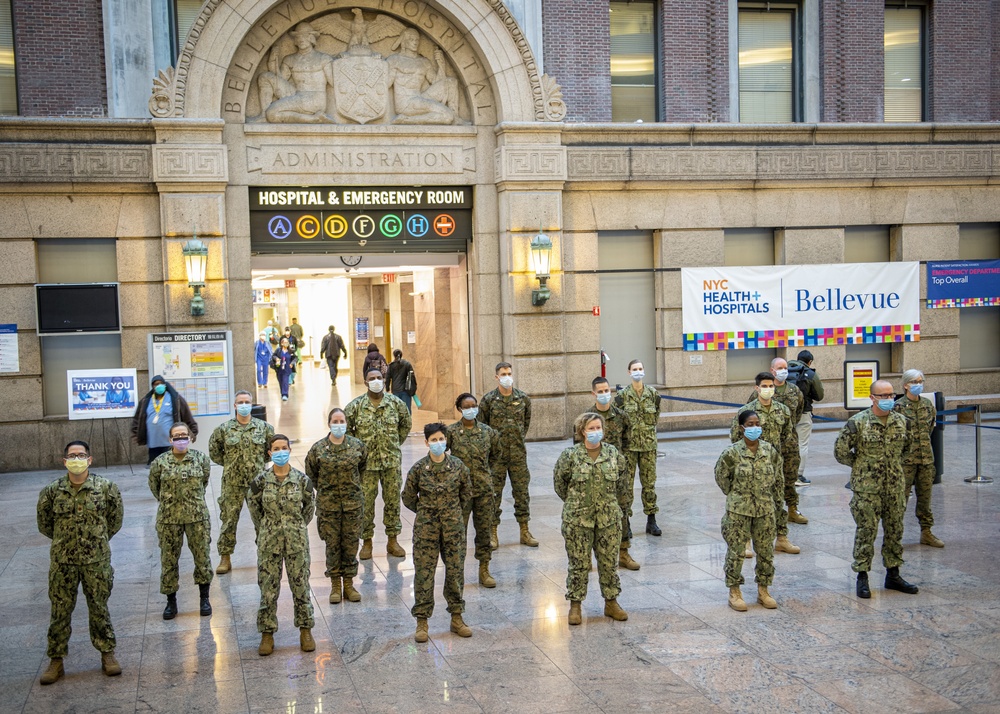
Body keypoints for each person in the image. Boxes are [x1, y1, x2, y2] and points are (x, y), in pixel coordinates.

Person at [36, 440, 124, 684]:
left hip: (96, 562)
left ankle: (108, 654)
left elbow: (115, 521)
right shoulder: (52, 491)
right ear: (65, 461)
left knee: (99, 608)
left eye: (81, 455)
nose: (77, 459)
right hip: (63, 563)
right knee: (60, 611)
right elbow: (44, 525)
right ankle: (56, 661)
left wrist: (96, 542)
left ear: (90, 459)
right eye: (72, 455)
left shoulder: (106, 488)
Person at [836, 379, 920, 599]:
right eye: (883, 396)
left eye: (891, 395)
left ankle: (893, 574)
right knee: (866, 531)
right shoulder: (858, 422)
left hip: (895, 487)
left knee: (895, 530)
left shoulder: (903, 422)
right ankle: (862, 576)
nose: (888, 399)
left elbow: (907, 449)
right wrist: (861, 465)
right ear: (872, 397)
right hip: (867, 489)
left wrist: (892, 466)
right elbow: (841, 451)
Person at [553, 412, 630, 625]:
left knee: (608, 563)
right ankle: (575, 605)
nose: (596, 432)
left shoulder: (613, 454)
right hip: (578, 520)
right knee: (578, 563)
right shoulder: (570, 456)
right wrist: (576, 504)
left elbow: (623, 484)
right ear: (582, 432)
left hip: (608, 519)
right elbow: (560, 484)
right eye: (591, 428)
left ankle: (611, 602)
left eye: (598, 428)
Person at [402, 422, 473, 642]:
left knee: (454, 572)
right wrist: (426, 512)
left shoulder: (458, 467)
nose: (438, 443)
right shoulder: (418, 469)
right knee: (424, 574)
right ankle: (422, 621)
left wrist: (454, 515)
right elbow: (408, 497)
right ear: (426, 443)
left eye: (441, 439)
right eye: (434, 440)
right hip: (426, 530)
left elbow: (467, 494)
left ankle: (456, 617)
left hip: (453, 529)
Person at [248, 434, 316, 655]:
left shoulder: (302, 480)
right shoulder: (260, 482)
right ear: (269, 453)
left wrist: (295, 527)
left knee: (301, 587)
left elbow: (308, 509)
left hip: (296, 542)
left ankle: (305, 630)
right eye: (275, 448)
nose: (280, 452)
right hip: (269, 543)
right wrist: (267, 528)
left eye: (283, 448)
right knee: (268, 589)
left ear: (289, 450)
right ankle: (267, 634)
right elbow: (254, 509)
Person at [715, 411, 781, 612]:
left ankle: (764, 590)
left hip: (764, 509)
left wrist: (776, 504)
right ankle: (734, 591)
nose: (755, 428)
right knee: (736, 552)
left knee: (766, 552)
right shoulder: (732, 453)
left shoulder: (769, 451)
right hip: (739, 510)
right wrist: (735, 494)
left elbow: (777, 478)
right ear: (742, 427)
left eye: (757, 424)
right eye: (750, 424)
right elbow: (721, 477)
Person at [148, 422, 213, 620]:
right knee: (168, 560)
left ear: (190, 438)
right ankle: (171, 602)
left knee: (202, 558)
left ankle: (204, 598)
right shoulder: (160, 463)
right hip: (169, 519)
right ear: (170, 440)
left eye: (184, 435)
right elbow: (154, 487)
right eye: (176, 436)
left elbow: (204, 482)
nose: (180, 439)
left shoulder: (201, 459)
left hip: (197, 518)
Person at [345, 368, 412, 560]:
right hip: (367, 465)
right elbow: (347, 428)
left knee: (392, 501)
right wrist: (358, 450)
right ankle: (366, 542)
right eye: (372, 378)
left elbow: (405, 424)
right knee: (365, 503)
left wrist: (393, 443)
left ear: (384, 380)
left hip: (391, 462)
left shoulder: (396, 403)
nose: (376, 381)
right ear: (365, 382)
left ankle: (393, 540)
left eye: (379, 378)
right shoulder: (356, 406)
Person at [731, 372, 801, 556]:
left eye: (771, 386)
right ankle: (746, 541)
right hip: (751, 466)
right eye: (764, 386)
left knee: (778, 501)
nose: (768, 389)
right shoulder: (746, 411)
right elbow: (735, 437)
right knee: (749, 502)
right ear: (757, 388)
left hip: (774, 465)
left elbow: (788, 436)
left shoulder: (782, 410)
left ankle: (782, 539)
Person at [305, 408, 367, 604]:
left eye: (342, 421)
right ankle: (335, 585)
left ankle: (348, 585)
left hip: (352, 505)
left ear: (347, 423)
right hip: (328, 507)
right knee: (332, 545)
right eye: (335, 421)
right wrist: (325, 490)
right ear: (329, 423)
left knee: (350, 544)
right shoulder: (318, 449)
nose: (339, 424)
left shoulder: (357, 446)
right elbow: (311, 473)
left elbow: (363, 468)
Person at [209, 391, 275, 575]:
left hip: (257, 483)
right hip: (232, 483)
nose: (244, 404)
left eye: (247, 402)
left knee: (262, 520)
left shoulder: (265, 428)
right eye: (240, 402)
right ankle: (225, 557)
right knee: (228, 521)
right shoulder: (224, 429)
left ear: (252, 405)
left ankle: (265, 554)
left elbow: (270, 451)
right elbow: (215, 452)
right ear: (235, 406)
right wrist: (232, 465)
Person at [446, 393, 501, 588]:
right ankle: (456, 572)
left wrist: (485, 474)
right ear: (460, 409)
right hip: (460, 493)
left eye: (474, 405)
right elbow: (444, 457)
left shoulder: (488, 432)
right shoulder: (451, 432)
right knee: (458, 533)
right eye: (467, 406)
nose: (471, 409)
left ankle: (484, 569)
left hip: (484, 490)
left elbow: (496, 456)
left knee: (484, 531)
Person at [588, 377, 639, 570]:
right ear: (593, 394)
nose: (604, 394)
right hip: (595, 476)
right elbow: (578, 447)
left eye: (606, 391)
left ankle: (623, 553)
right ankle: (589, 557)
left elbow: (627, 443)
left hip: (617, 476)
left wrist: (621, 466)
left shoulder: (621, 416)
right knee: (592, 515)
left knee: (623, 513)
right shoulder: (587, 417)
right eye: (599, 392)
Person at [747, 358, 807, 523]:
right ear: (772, 370)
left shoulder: (795, 391)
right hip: (766, 445)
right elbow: (748, 417)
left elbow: (797, 413)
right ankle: (768, 512)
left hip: (789, 444)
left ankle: (793, 510)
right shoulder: (758, 393)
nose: (784, 371)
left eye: (785, 368)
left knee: (790, 477)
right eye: (780, 368)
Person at [894, 369, 943, 548]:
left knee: (925, 499)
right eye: (915, 381)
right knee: (900, 500)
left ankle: (926, 532)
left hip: (926, 460)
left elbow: (930, 428)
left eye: (921, 381)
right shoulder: (897, 407)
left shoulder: (928, 405)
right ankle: (895, 536)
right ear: (906, 385)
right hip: (905, 462)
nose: (919, 385)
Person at [614, 359, 662, 537]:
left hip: (648, 446)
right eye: (634, 369)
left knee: (649, 484)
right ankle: (626, 522)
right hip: (629, 448)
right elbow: (618, 422)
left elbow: (655, 417)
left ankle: (651, 520)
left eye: (640, 368)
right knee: (627, 486)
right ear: (629, 372)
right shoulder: (622, 397)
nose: (638, 371)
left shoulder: (653, 394)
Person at [132, 375, 198, 465]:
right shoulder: (145, 401)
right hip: (153, 443)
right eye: (156, 384)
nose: (158, 386)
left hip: (170, 442)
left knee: (170, 466)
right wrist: (137, 434)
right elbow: (138, 418)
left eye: (160, 384)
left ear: (165, 385)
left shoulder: (175, 399)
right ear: (153, 386)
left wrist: (193, 432)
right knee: (155, 468)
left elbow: (186, 415)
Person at [787, 350, 824, 485]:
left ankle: (784, 473)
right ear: (809, 362)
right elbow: (819, 396)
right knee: (801, 444)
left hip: (784, 413)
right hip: (803, 413)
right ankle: (798, 475)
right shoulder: (810, 374)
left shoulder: (785, 370)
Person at [386, 349, 417, 413]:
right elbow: (412, 377)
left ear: (394, 355)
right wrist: (413, 388)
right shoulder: (407, 364)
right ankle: (407, 422)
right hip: (406, 390)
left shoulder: (391, 366)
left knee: (397, 410)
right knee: (407, 410)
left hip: (395, 390)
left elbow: (387, 378)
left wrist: (387, 387)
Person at [270, 337, 297, 401]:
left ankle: (285, 394)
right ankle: (282, 393)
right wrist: (276, 358)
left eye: (287, 342)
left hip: (287, 369)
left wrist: (292, 363)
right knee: (281, 382)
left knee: (285, 381)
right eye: (284, 342)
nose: (286, 344)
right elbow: (273, 355)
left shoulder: (290, 350)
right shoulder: (278, 350)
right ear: (281, 343)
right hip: (279, 369)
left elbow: (295, 358)